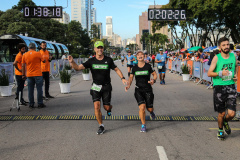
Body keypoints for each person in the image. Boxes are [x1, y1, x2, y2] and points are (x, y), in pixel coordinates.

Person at [68, 41, 128, 135]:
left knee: (106, 107)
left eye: (101, 48)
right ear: (95, 49)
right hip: (95, 87)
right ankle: (101, 126)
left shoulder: (108, 60)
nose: (100, 49)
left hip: (107, 87)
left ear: (103, 49)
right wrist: (72, 62)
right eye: (98, 48)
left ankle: (109, 109)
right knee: (97, 106)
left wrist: (123, 78)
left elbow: (116, 69)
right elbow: (78, 68)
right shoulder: (91, 61)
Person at [208, 37, 238, 140]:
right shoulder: (217, 58)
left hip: (230, 86)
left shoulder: (233, 56)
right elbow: (209, 73)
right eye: (224, 45)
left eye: (227, 44)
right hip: (219, 88)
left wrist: (235, 75)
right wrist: (220, 73)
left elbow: (236, 67)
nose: (226, 46)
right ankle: (220, 130)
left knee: (232, 114)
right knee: (221, 113)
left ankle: (225, 121)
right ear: (220, 47)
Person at [125, 50, 157, 132]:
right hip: (138, 90)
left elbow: (155, 74)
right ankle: (143, 125)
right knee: (142, 107)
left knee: (149, 109)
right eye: (138, 55)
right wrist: (128, 85)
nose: (140, 56)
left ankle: (151, 112)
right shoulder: (134, 68)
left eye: (141, 54)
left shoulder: (148, 66)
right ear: (136, 57)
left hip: (148, 90)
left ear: (144, 56)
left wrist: (153, 80)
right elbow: (131, 77)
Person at [22, 43, 46, 108]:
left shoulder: (25, 55)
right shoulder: (38, 53)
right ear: (35, 48)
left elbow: (23, 66)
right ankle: (40, 103)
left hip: (29, 75)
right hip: (38, 74)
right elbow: (43, 61)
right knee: (39, 89)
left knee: (30, 90)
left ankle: (31, 104)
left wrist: (23, 75)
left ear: (29, 48)